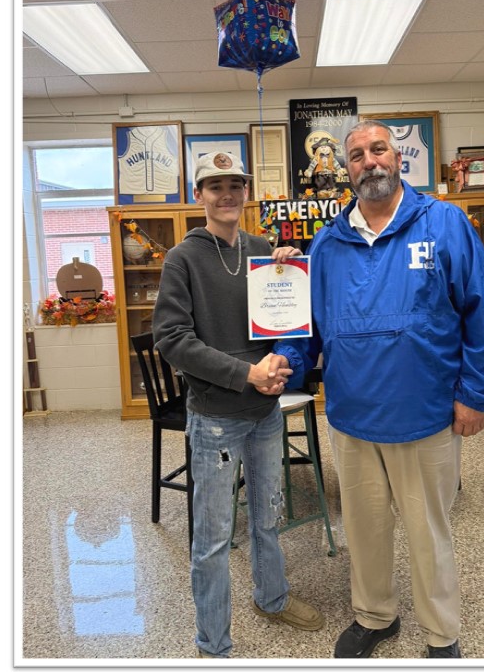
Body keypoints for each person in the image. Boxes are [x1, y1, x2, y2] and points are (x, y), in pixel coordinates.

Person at [273, 120, 484, 659]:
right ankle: (375, 616)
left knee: (429, 532)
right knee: (364, 528)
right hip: (353, 414)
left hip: (425, 413)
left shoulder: (444, 225)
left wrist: (476, 394)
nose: (369, 162)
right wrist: (282, 303)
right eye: (356, 155)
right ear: (347, 169)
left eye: (378, 149)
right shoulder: (329, 243)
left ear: (398, 157)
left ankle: (441, 633)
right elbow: (307, 328)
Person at [152, 150, 324, 658]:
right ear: (199, 195)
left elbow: (285, 323)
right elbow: (172, 339)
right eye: (215, 186)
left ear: (246, 192)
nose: (226, 195)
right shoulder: (183, 258)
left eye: (235, 186)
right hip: (214, 419)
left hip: (264, 411)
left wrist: (288, 277)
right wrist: (244, 373)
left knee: (268, 514)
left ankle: (272, 598)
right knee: (212, 538)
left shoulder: (262, 248)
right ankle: (213, 643)